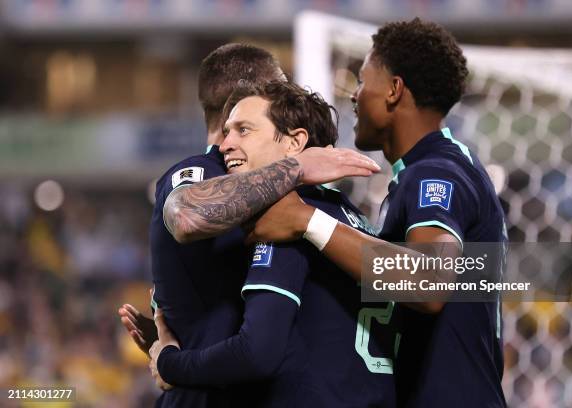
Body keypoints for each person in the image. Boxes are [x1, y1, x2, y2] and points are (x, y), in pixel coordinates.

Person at [246, 19, 508, 407]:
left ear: (393, 91)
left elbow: (428, 282)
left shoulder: (435, 172)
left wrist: (309, 221)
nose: (354, 95)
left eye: (363, 80)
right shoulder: (446, 166)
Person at [117, 44, 380, 408]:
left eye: (244, 130)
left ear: (295, 139)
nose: (229, 145)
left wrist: (171, 361)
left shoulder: (290, 211)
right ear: (246, 96)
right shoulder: (348, 215)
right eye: (234, 128)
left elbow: (259, 351)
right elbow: (438, 283)